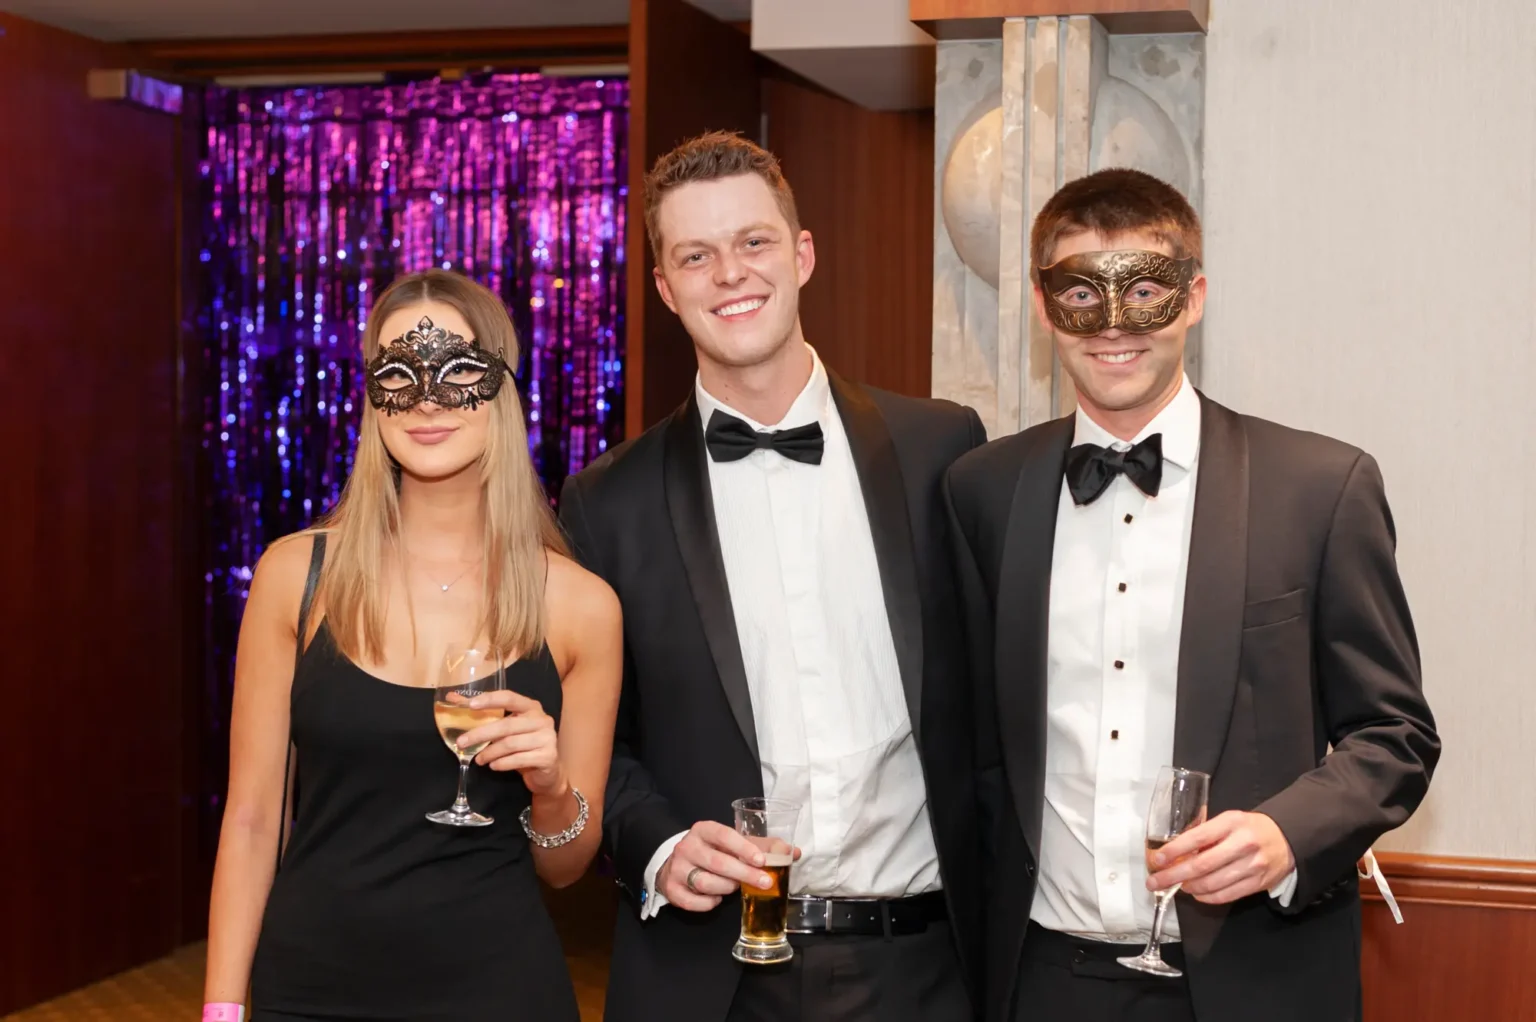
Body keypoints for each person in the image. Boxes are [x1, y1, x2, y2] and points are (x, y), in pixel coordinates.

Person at [944, 168, 1440, 1022]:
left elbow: (1395, 735)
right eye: (1080, 294)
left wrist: (1287, 833)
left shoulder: (1319, 488)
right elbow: (970, 741)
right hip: (1041, 980)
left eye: (1143, 291)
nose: (1113, 325)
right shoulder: (982, 492)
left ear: (1194, 297)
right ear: (1043, 307)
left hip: (1257, 978)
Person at [558, 131, 985, 1022]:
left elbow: (999, 690)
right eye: (696, 256)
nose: (730, 274)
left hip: (927, 969)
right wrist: (659, 844)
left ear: (802, 255)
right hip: (709, 975)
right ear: (666, 288)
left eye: (753, 242)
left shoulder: (941, 450)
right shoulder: (607, 501)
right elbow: (594, 739)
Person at [203, 269, 622, 1021]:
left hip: (497, 994)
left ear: (501, 388)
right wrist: (222, 1008)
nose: (428, 399)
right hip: (311, 992)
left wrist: (552, 786)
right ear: (372, 397)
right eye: (399, 373)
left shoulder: (580, 607)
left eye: (458, 370)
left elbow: (564, 869)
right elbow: (253, 820)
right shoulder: (295, 577)